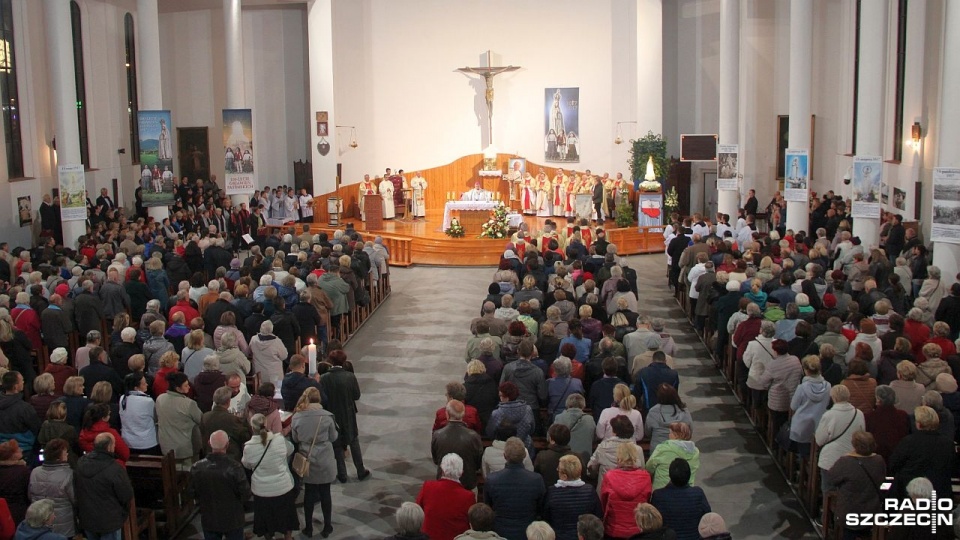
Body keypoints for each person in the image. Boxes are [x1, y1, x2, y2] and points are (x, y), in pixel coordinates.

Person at [242, 413, 299, 540]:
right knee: (287, 517)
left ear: (252, 428)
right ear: (266, 424)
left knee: (266, 520)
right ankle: (288, 538)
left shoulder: (249, 447)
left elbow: (246, 464)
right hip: (283, 486)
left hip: (262, 491)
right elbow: (290, 449)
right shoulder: (279, 439)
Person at [291, 387, 339, 539]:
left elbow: (296, 438)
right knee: (325, 493)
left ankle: (309, 528)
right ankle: (327, 526)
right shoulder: (327, 416)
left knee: (309, 493)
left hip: (307, 458)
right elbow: (333, 437)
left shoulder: (297, 417)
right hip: (324, 458)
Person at [190, 430, 251, 540]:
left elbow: (192, 493)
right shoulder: (235, 467)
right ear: (227, 445)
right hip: (233, 519)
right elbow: (246, 494)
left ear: (209, 443)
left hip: (209, 518)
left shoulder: (197, 467)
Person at [824, 431, 885, 540]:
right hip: (872, 511)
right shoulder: (879, 460)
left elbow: (831, 479)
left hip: (850, 512)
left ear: (855, 445)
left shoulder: (846, 461)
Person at [320, 350, 370, 483]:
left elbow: (323, 398)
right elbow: (356, 395)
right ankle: (360, 471)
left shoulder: (324, 378)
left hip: (332, 414)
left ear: (330, 361)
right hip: (348, 413)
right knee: (353, 441)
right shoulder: (349, 376)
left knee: (337, 444)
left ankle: (342, 474)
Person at [483, 437, 546, 540]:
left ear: (504, 456)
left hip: (500, 531)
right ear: (525, 455)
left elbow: (488, 506)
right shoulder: (536, 479)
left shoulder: (492, 480)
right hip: (528, 532)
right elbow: (541, 508)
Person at [75, 433, 134, 540]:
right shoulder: (115, 468)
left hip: (87, 519)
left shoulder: (80, 463)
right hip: (109, 522)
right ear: (109, 447)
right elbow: (126, 495)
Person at [888, 405, 955, 498]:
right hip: (939, 492)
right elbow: (952, 467)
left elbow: (894, 464)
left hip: (911, 492)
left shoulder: (908, 442)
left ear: (918, 424)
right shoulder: (948, 443)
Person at [416, 453, 476, 540]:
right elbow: (472, 523)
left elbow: (417, 511)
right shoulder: (468, 497)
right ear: (461, 473)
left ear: (442, 470)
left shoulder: (428, 487)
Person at [600, 442, 652, 540]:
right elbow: (648, 501)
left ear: (619, 457)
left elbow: (603, 502)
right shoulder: (645, 477)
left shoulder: (609, 476)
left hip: (614, 529)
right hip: (638, 528)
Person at [543, 455, 601, 540]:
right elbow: (598, 515)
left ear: (564, 476)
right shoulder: (590, 491)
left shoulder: (552, 492)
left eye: (558, 469)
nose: (556, 470)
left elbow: (545, 517)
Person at [650, 459, 710, 540]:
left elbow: (653, 521)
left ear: (670, 475)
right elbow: (708, 516)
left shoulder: (658, 496)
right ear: (689, 475)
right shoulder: (698, 493)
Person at [155, 372, 202, 466]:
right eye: (186, 385)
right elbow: (201, 420)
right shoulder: (189, 404)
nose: (189, 387)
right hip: (185, 449)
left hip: (166, 447)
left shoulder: (160, 399)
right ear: (178, 388)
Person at [588, 416, 644, 493]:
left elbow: (591, 467)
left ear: (614, 431)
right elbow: (642, 470)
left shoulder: (603, 447)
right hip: (630, 490)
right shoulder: (638, 449)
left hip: (607, 491)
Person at [201, 386, 252, 462]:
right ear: (228, 402)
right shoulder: (233, 419)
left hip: (210, 458)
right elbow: (245, 437)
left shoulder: (205, 417)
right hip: (231, 459)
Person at [0, 371, 40, 463]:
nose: (23, 382)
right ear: (15, 386)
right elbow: (37, 428)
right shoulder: (25, 408)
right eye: (21, 380)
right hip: (24, 451)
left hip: (2, 449)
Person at [645, 423, 699, 491]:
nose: (668, 435)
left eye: (670, 433)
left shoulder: (662, 448)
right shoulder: (695, 452)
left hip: (662, 490)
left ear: (676, 435)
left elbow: (649, 466)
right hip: (687, 490)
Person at [643, 385, 693, 453]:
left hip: (658, 450)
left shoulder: (653, 411)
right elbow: (690, 431)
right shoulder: (684, 411)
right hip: (681, 450)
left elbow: (648, 432)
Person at [118, 372, 159, 454]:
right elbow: (156, 418)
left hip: (128, 442)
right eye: (144, 383)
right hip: (147, 444)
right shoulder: (147, 401)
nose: (147, 384)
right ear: (136, 387)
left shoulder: (122, 399)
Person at [0, 440, 29, 524]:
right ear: (12, 455)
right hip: (18, 512)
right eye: (18, 449)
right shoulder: (23, 471)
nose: (21, 449)